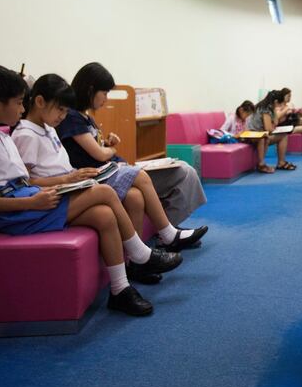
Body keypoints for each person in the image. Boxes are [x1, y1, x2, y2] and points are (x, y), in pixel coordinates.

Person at [0, 65, 180, 316]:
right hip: (15, 212)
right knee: (103, 192)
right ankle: (141, 253)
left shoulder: (2, 136)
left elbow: (25, 181)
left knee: (104, 215)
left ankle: (120, 289)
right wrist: (31, 202)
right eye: (19, 103)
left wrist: (60, 185)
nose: (21, 109)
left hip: (26, 201)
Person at [12, 74, 206, 284]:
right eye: (60, 109)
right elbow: (26, 182)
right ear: (39, 102)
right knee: (126, 182)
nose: (62, 116)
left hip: (68, 185)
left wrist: (74, 176)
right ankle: (155, 244)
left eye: (66, 111)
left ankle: (126, 279)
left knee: (132, 199)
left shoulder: (48, 128)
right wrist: (70, 178)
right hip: (56, 192)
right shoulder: (27, 134)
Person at [56, 63, 207, 230]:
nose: (106, 99)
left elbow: (94, 148)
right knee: (184, 172)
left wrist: (107, 143)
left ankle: (170, 227)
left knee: (185, 169)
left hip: (116, 168)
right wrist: (111, 149)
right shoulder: (72, 117)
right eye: (104, 93)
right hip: (106, 174)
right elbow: (99, 154)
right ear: (90, 90)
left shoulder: (85, 116)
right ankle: (168, 232)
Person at [247, 90, 295, 171]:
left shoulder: (270, 107)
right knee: (264, 137)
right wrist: (273, 126)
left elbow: (276, 122)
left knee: (283, 135)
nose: (280, 105)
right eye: (279, 103)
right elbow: (268, 129)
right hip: (253, 135)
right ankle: (261, 164)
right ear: (275, 101)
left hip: (261, 133)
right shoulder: (265, 109)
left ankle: (281, 162)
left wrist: (275, 113)